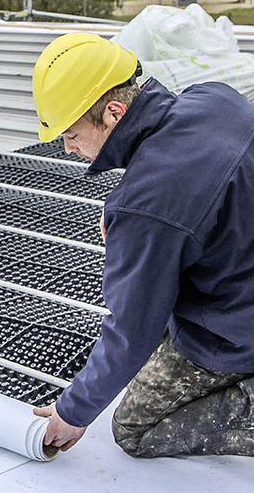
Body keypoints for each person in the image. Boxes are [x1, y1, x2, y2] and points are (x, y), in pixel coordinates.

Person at [30, 32, 254, 457]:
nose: (69, 148)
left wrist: (73, 412)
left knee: (135, 429)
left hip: (239, 331)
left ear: (113, 113)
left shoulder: (145, 207)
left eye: (73, 134)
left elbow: (133, 325)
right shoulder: (214, 97)